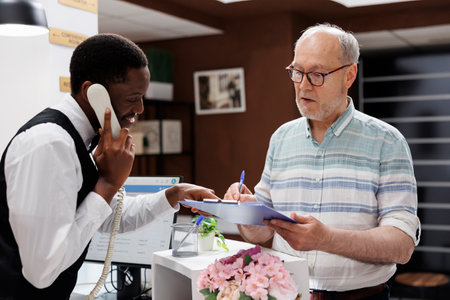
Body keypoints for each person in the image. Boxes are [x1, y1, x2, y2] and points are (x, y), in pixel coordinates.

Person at [0, 33, 217, 300]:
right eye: (132, 98)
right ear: (93, 93)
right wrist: (108, 184)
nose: (140, 108)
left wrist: (174, 194)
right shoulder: (50, 145)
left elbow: (110, 217)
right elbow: (41, 271)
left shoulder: (82, 140)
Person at [224, 23, 420, 300]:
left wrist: (326, 239)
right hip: (286, 293)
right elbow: (260, 232)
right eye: (297, 72)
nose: (303, 85)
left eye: (317, 74)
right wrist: (243, 211)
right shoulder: (281, 138)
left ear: (349, 75)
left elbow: (402, 245)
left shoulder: (387, 142)